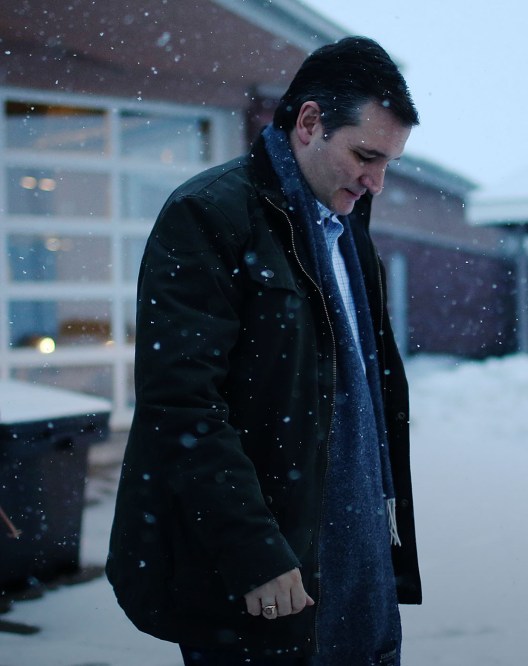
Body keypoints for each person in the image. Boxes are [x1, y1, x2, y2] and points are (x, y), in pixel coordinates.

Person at [107, 36, 421, 665]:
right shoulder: (208, 215)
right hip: (264, 585)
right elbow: (183, 406)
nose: (376, 181)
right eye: (366, 155)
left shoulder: (349, 235)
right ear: (309, 123)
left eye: (388, 163)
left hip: (359, 576)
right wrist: (255, 552)